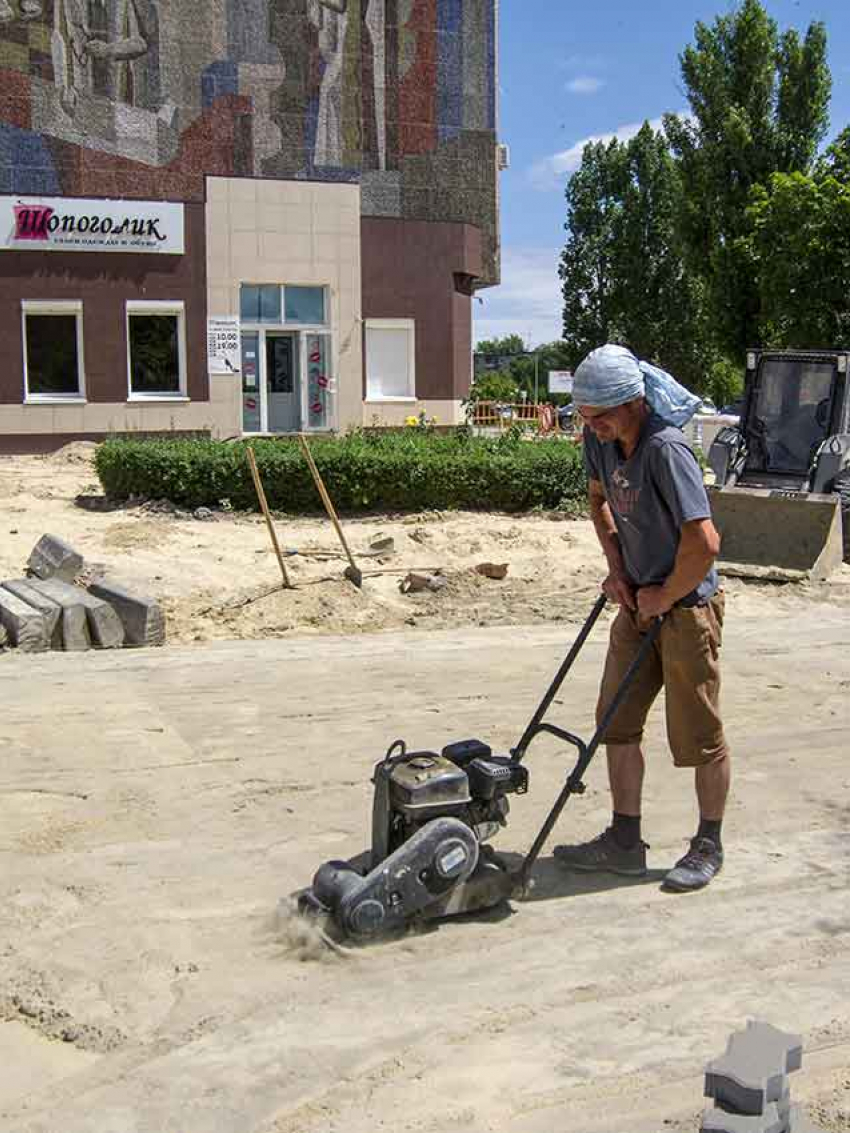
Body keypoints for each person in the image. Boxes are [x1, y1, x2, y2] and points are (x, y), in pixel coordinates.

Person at [554, 344, 730, 892]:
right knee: (615, 722)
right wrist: (617, 567)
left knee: (698, 735)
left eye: (599, 415)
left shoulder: (667, 449)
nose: (591, 427)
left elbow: (704, 543)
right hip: (637, 603)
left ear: (633, 402)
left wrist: (664, 595)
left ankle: (708, 843)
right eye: (583, 417)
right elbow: (597, 499)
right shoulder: (599, 440)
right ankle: (624, 841)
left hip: (686, 609)